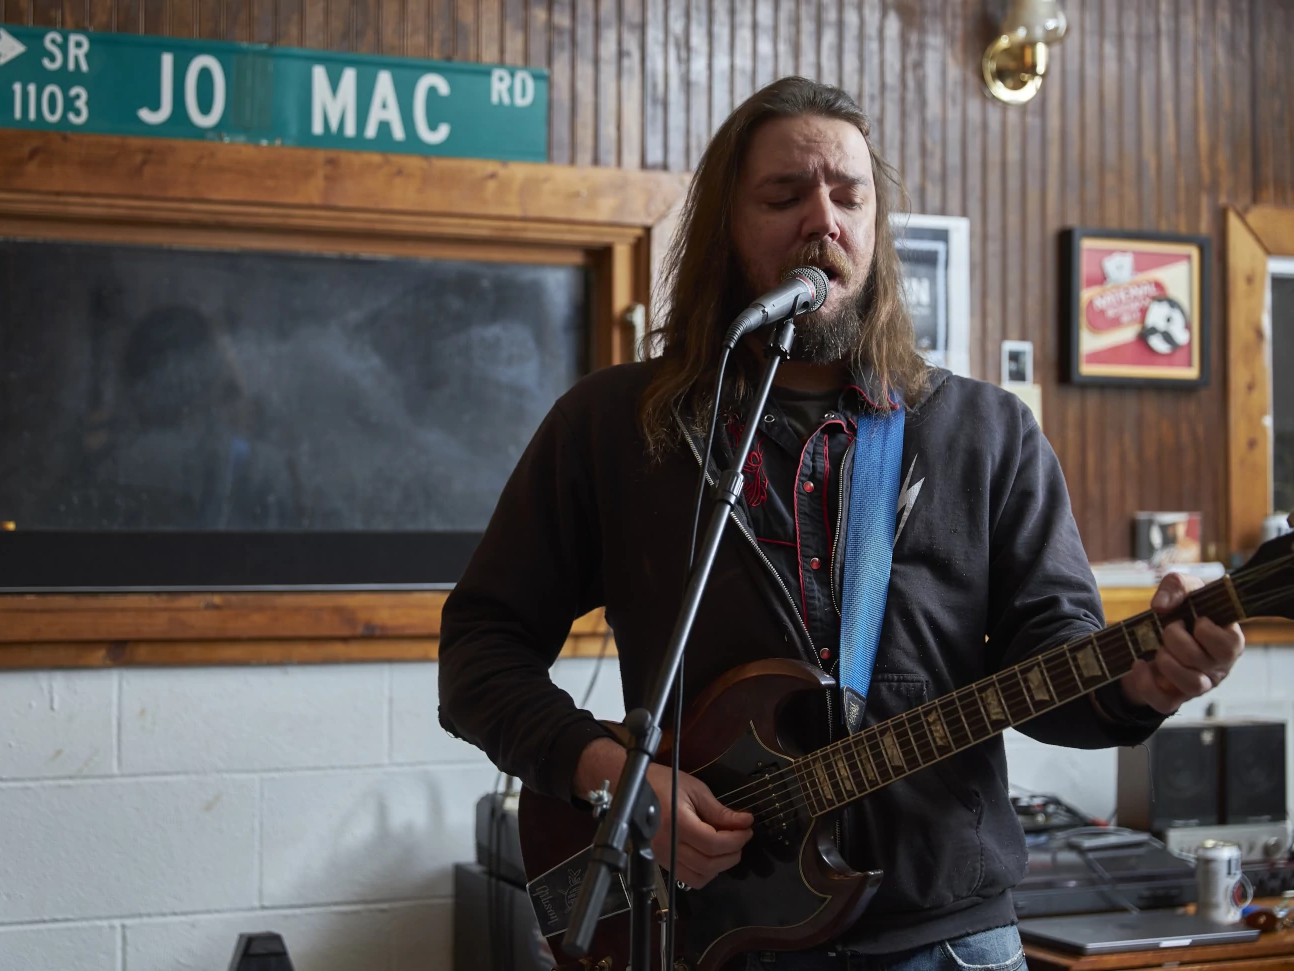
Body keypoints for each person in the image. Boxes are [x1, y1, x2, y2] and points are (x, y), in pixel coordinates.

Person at [436, 77, 1245, 970]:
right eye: (784, 195)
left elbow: (1056, 658)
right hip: (706, 939)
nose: (823, 218)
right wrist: (607, 773)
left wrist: (1147, 681)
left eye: (849, 195)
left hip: (948, 941)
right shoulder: (618, 426)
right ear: (725, 232)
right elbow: (479, 647)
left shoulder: (985, 433)